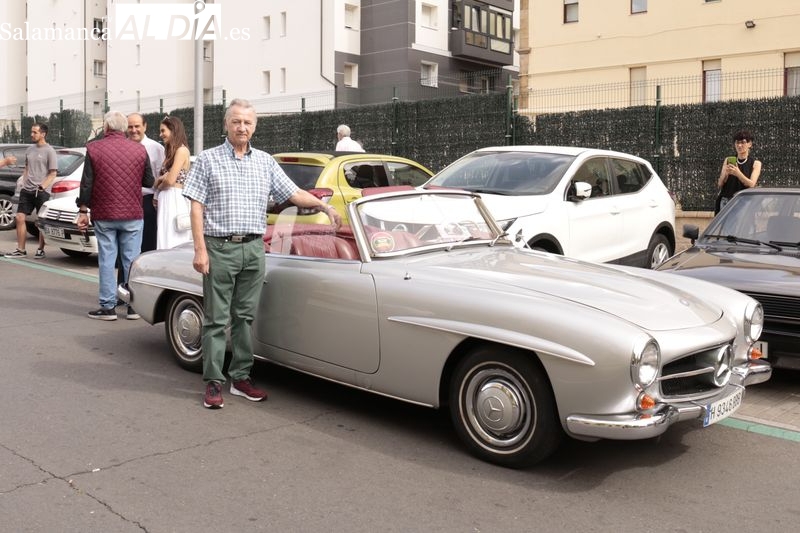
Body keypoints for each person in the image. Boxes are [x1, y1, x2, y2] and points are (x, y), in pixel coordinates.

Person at [183, 98, 342, 409]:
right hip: (220, 247)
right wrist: (200, 250)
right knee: (216, 320)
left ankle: (240, 378)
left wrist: (323, 205)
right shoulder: (207, 160)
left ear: (254, 127)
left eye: (248, 122)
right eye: (236, 122)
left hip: (254, 249)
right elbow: (196, 206)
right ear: (226, 124)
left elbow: (293, 193)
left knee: (244, 317)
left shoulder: (266, 162)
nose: (242, 127)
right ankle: (213, 382)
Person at [76, 111, 154, 321]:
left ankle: (108, 307)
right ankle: (133, 307)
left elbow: (87, 183)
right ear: (124, 128)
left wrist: (83, 210)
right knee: (131, 260)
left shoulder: (93, 148)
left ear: (107, 128)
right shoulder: (139, 149)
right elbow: (148, 181)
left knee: (107, 259)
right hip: (132, 213)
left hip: (104, 214)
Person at [5, 123, 58, 259]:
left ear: (43, 134)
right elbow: (27, 168)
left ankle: (40, 249)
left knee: (40, 221)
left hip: (41, 191)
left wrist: (43, 186)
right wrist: (23, 180)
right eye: (31, 132)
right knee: (19, 217)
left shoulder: (50, 151)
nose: (32, 134)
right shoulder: (29, 149)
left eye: (35, 132)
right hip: (26, 190)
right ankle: (21, 250)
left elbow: (52, 173)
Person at [126, 113, 165, 252]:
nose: (133, 130)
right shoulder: (122, 147)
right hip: (127, 201)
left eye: (137, 126)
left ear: (145, 126)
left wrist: (155, 197)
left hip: (148, 201)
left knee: (148, 241)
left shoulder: (156, 148)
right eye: (130, 127)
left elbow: (161, 175)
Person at [155, 115, 192, 249]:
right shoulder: (170, 152)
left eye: (163, 130)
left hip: (175, 197)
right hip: (167, 197)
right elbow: (158, 182)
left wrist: (161, 181)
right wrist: (160, 181)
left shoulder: (182, 150)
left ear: (173, 130)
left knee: (173, 236)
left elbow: (170, 180)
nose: (161, 134)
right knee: (164, 235)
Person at [715, 129, 762, 214]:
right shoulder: (728, 160)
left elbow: (751, 184)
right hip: (726, 201)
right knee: (726, 227)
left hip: (744, 202)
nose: (739, 145)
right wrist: (725, 174)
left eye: (743, 142)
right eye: (737, 142)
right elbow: (720, 184)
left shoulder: (756, 163)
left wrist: (738, 173)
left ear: (749, 144)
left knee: (742, 227)